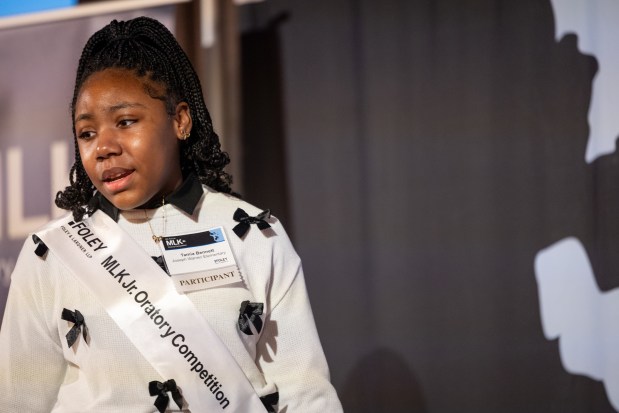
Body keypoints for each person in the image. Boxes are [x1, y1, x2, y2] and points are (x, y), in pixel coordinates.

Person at [0, 16, 343, 413]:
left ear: (180, 120)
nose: (104, 147)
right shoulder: (51, 254)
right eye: (87, 133)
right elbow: (17, 402)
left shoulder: (253, 234)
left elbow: (306, 396)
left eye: (126, 122)